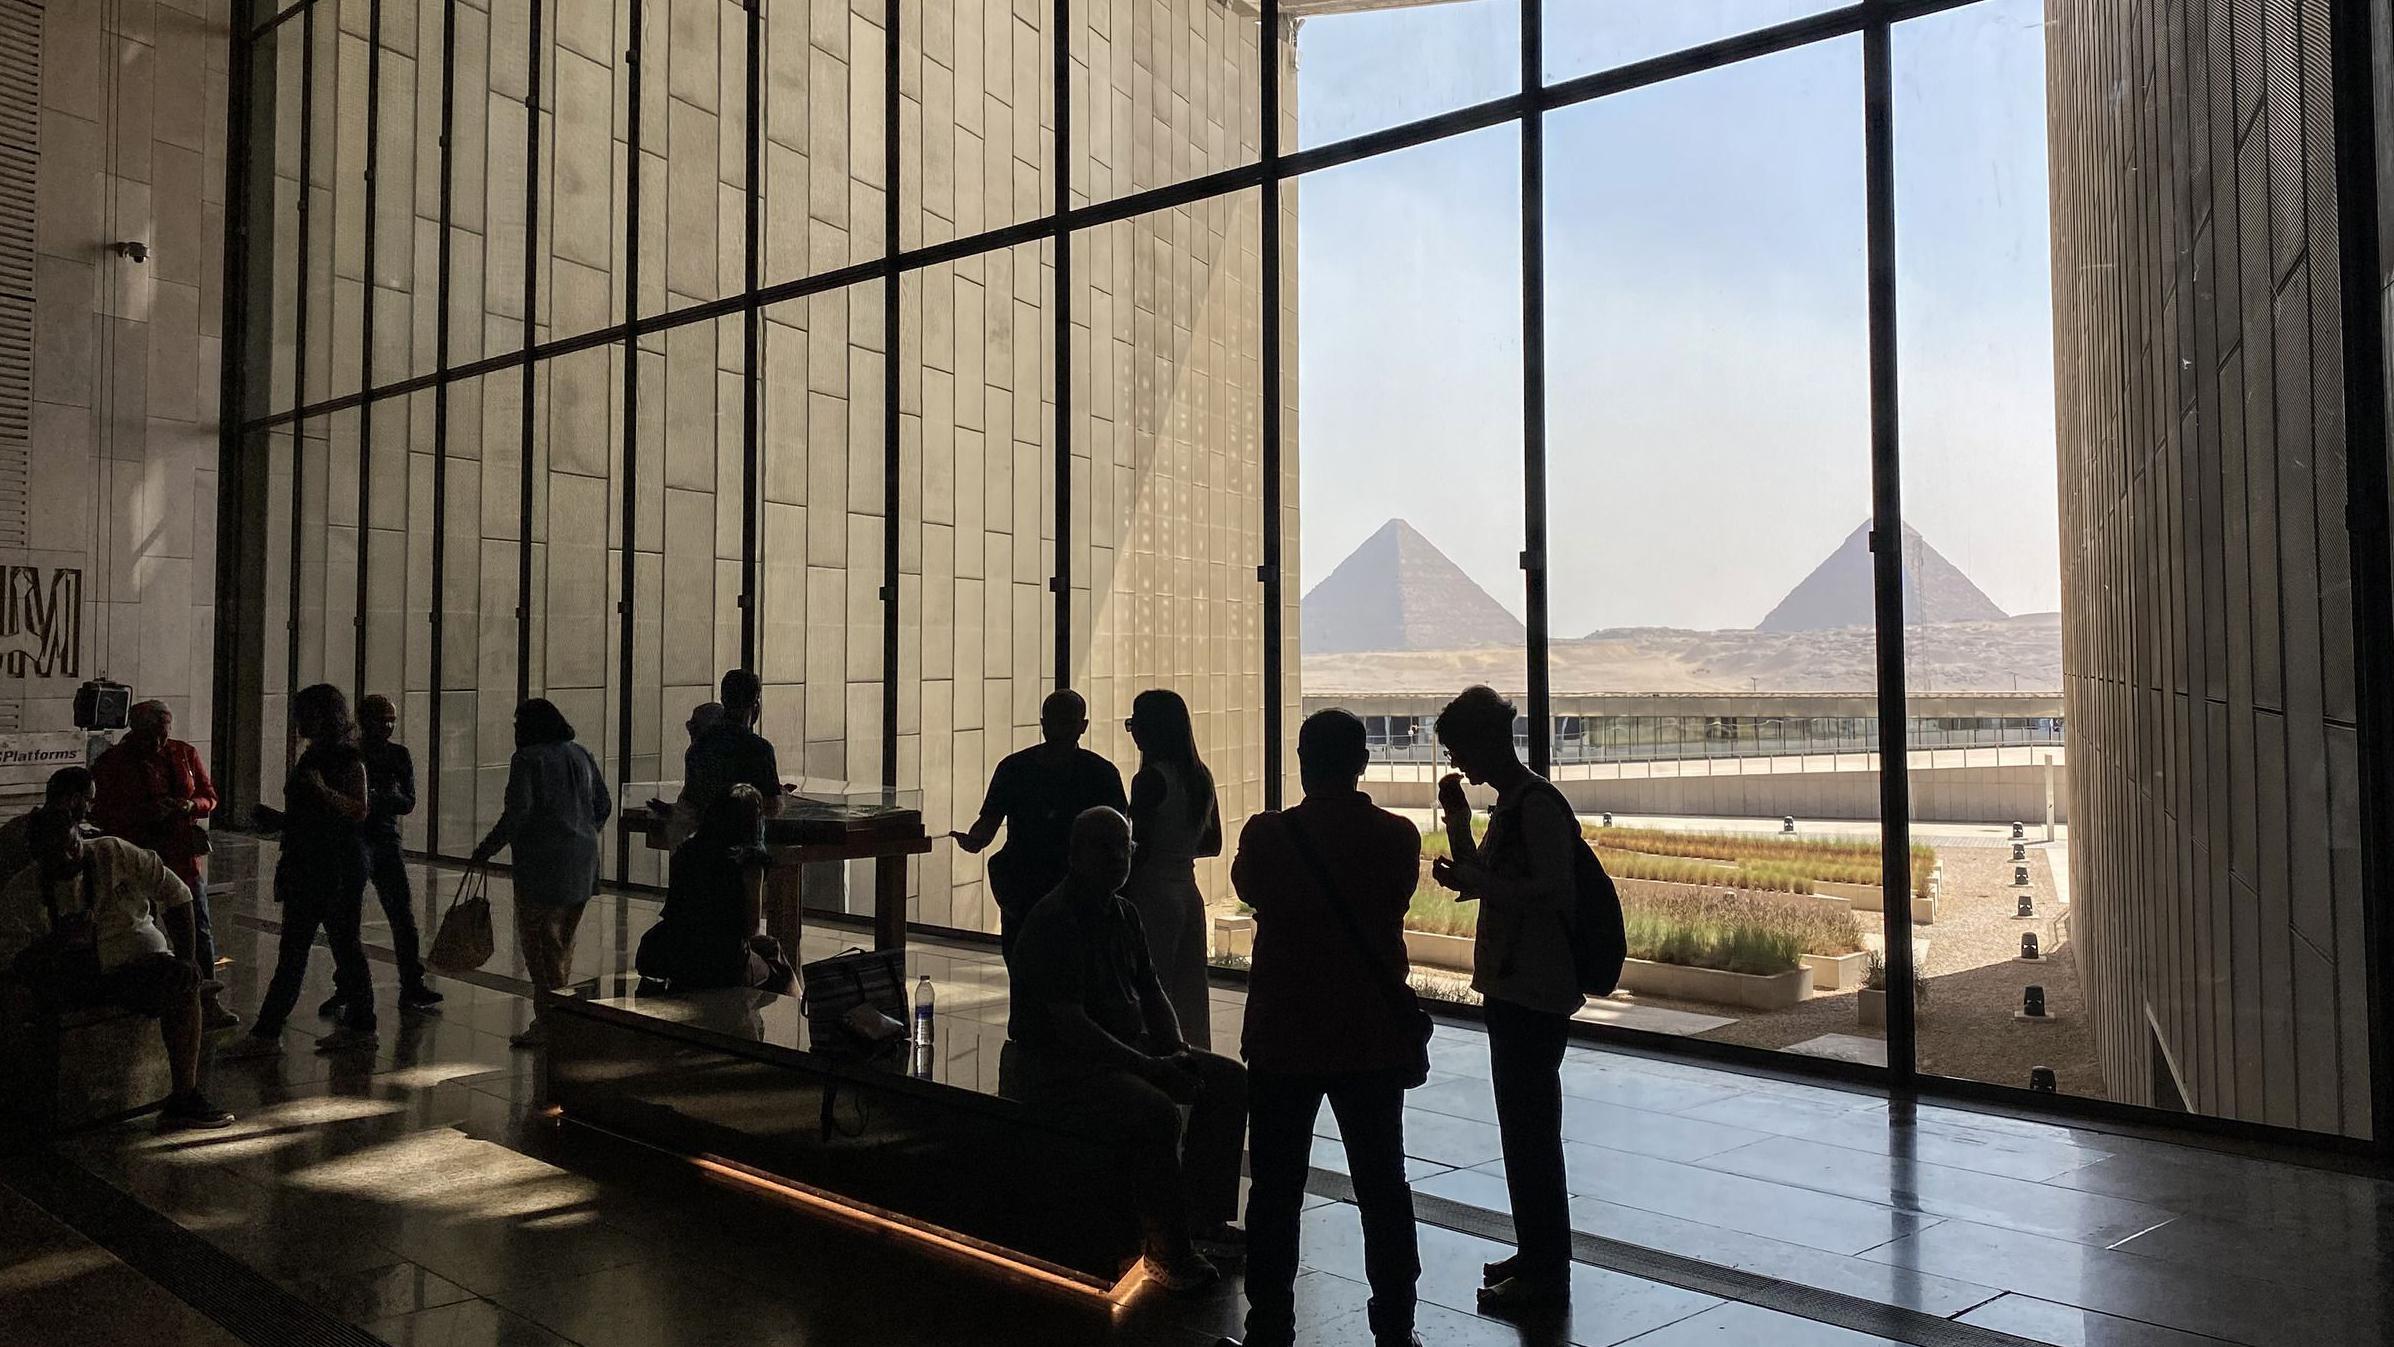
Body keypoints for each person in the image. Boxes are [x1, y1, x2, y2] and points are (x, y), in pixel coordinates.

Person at [1222, 709, 1424, 1347]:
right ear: (1362, 762)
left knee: (1276, 1191)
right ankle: (1394, 1324)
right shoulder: (1397, 837)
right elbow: (1394, 901)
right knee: (1382, 1186)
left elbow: (1250, 889)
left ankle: (1270, 1324)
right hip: (1369, 1033)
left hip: (1284, 1033)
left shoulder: (1267, 835)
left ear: (1302, 761)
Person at [1006, 806, 1247, 1293]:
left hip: (1118, 1052)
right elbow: (1072, 1028)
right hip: (1058, 1066)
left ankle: (1204, 1220)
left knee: (1228, 1081)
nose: (1119, 858)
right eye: (1107, 848)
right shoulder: (1056, 921)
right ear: (1075, 855)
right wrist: (1153, 1068)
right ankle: (1166, 1248)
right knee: (1155, 1111)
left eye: (1125, 847)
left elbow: (1152, 990)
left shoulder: (1123, 913)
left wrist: (1176, 1051)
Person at [1429, 685, 1582, 1316]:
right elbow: (1487, 883)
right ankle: (1537, 1252)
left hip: (1533, 988)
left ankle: (1546, 1271)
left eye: (1460, 748)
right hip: (1515, 984)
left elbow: (1551, 890)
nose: (1458, 761)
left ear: (1485, 741)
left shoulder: (1535, 806)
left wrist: (1479, 879)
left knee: (1530, 1133)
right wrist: (1458, 825)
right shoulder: (1515, 804)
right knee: (1524, 1131)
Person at [0, 807, 235, 1130]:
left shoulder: (112, 854)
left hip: (135, 963)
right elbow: (12, 959)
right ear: (38, 855)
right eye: (56, 854)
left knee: (182, 983)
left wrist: (186, 957)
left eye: (73, 845)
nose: (69, 857)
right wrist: (58, 941)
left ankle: (185, 1095)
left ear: (80, 835)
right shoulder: (22, 891)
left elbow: (176, 893)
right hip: (71, 976)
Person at [222, 684, 379, 1059]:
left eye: (304, 713)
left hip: (333, 867)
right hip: (311, 862)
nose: (298, 721)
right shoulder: (316, 756)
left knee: (329, 948)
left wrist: (322, 792)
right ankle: (279, 1029)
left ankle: (277, 1031)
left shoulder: (345, 760)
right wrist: (279, 820)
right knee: (318, 949)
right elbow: (313, 815)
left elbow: (358, 809)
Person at [471, 698, 612, 1047]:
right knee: (561, 946)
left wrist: (487, 847)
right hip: (582, 863)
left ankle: (550, 1022)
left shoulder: (527, 760)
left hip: (542, 867)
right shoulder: (580, 754)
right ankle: (559, 1017)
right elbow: (604, 804)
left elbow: (518, 813)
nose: (515, 730)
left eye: (518, 724)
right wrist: (583, 830)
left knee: (539, 949)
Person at [89, 700, 236, 1031]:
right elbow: (101, 812)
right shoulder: (113, 763)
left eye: (164, 733)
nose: (159, 742)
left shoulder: (183, 754)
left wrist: (189, 806)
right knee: (145, 927)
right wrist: (143, 814)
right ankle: (152, 1000)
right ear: (135, 730)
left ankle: (206, 999)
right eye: (151, 735)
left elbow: (209, 796)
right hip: (138, 859)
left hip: (181, 857)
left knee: (198, 927)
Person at [953, 689, 1127, 958]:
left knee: (1023, 963)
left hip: (1024, 886)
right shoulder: (1100, 773)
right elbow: (1118, 834)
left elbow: (987, 825)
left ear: (1042, 723)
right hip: (1079, 887)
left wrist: (973, 842)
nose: (1058, 729)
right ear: (1083, 726)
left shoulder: (1014, 768)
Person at [1121, 689, 1222, 1049]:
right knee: (1189, 991)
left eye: (1135, 723)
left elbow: (1140, 849)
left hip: (1151, 892)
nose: (1133, 731)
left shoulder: (1149, 780)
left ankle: (1155, 1059)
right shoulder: (1201, 776)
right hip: (1188, 892)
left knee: (1150, 988)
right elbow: (1213, 844)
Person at [635, 785, 782, 991]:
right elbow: (752, 929)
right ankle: (799, 1005)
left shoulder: (687, 851)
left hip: (677, 953)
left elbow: (673, 909)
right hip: (722, 961)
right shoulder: (749, 862)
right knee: (776, 961)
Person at [347, 694, 439, 1014]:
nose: (388, 726)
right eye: (382, 720)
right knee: (350, 918)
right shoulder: (353, 753)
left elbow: (408, 802)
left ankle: (411, 983)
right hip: (358, 838)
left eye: (391, 720)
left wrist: (376, 797)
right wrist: (384, 797)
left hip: (381, 837)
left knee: (402, 916)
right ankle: (349, 986)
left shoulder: (396, 754)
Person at [663, 670, 785, 849]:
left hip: (703, 850)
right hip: (742, 851)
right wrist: (780, 796)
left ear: (723, 700)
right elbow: (771, 808)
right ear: (756, 705)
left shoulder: (698, 747)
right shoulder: (759, 749)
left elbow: (691, 804)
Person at [0, 767, 98, 884]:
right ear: (75, 800)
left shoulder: (16, 826)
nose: (90, 809)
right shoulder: (56, 838)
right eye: (89, 801)